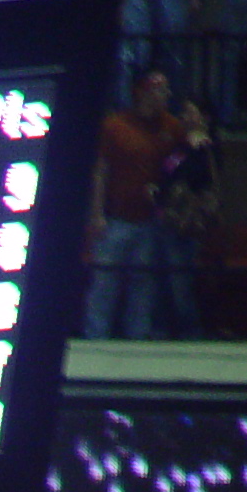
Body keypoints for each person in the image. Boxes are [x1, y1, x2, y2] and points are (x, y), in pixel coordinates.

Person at [88, 71, 184, 340]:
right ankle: (96, 338)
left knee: (143, 286)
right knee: (105, 283)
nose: (166, 95)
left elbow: (179, 169)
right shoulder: (115, 126)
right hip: (117, 219)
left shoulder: (172, 128)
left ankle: (137, 340)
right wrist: (97, 214)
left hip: (152, 222)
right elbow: (101, 170)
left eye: (166, 90)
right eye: (160, 90)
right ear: (142, 93)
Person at [155, 98, 222, 336]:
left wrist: (197, 147)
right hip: (167, 219)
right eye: (183, 113)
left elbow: (199, 180)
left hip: (187, 223)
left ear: (204, 118)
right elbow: (167, 175)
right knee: (164, 281)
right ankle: (164, 331)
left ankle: (189, 333)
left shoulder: (207, 147)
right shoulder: (179, 146)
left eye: (190, 113)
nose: (184, 117)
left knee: (180, 282)